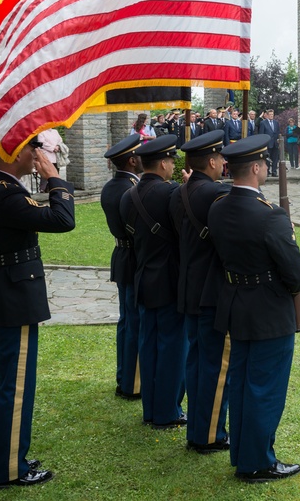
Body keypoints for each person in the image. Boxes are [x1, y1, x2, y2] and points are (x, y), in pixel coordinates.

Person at [0, 137, 75, 489]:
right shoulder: (6, 194)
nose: (37, 155)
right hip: (12, 302)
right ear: (13, 153)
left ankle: (1, 459)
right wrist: (55, 177)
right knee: (13, 388)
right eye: (32, 149)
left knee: (0, 382)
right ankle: (9, 469)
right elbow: (62, 219)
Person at [209, 135, 300, 482]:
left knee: (241, 385)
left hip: (237, 306)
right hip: (268, 311)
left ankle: (243, 453)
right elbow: (297, 273)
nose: (266, 168)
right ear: (255, 168)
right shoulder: (271, 215)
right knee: (265, 388)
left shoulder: (218, 207)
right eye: (264, 163)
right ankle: (256, 462)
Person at [170, 130, 232, 453]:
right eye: (221, 157)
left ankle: (197, 430)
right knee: (214, 366)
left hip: (188, 288)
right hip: (211, 292)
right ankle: (209, 435)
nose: (224, 162)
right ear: (211, 161)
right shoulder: (214, 194)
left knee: (195, 363)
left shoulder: (178, 193)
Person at [119, 135, 187, 430]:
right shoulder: (171, 193)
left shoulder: (127, 196)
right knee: (172, 347)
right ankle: (167, 411)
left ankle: (151, 408)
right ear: (162, 163)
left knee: (148, 345)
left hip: (143, 277)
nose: (172, 165)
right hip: (170, 279)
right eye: (171, 160)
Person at [101, 135, 144, 402]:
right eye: (140, 154)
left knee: (127, 321)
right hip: (135, 256)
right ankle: (133, 383)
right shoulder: (132, 189)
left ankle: (124, 376)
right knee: (135, 322)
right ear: (131, 160)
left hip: (122, 254)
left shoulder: (111, 186)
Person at [261, 110, 280, 177]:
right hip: (267, 144)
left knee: (275, 159)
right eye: (270, 114)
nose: (271, 116)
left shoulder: (276, 123)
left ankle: (274, 172)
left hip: (275, 143)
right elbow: (262, 134)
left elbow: (277, 132)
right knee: (267, 159)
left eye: (272, 114)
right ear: (267, 115)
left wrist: (278, 141)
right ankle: (267, 171)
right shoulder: (263, 123)